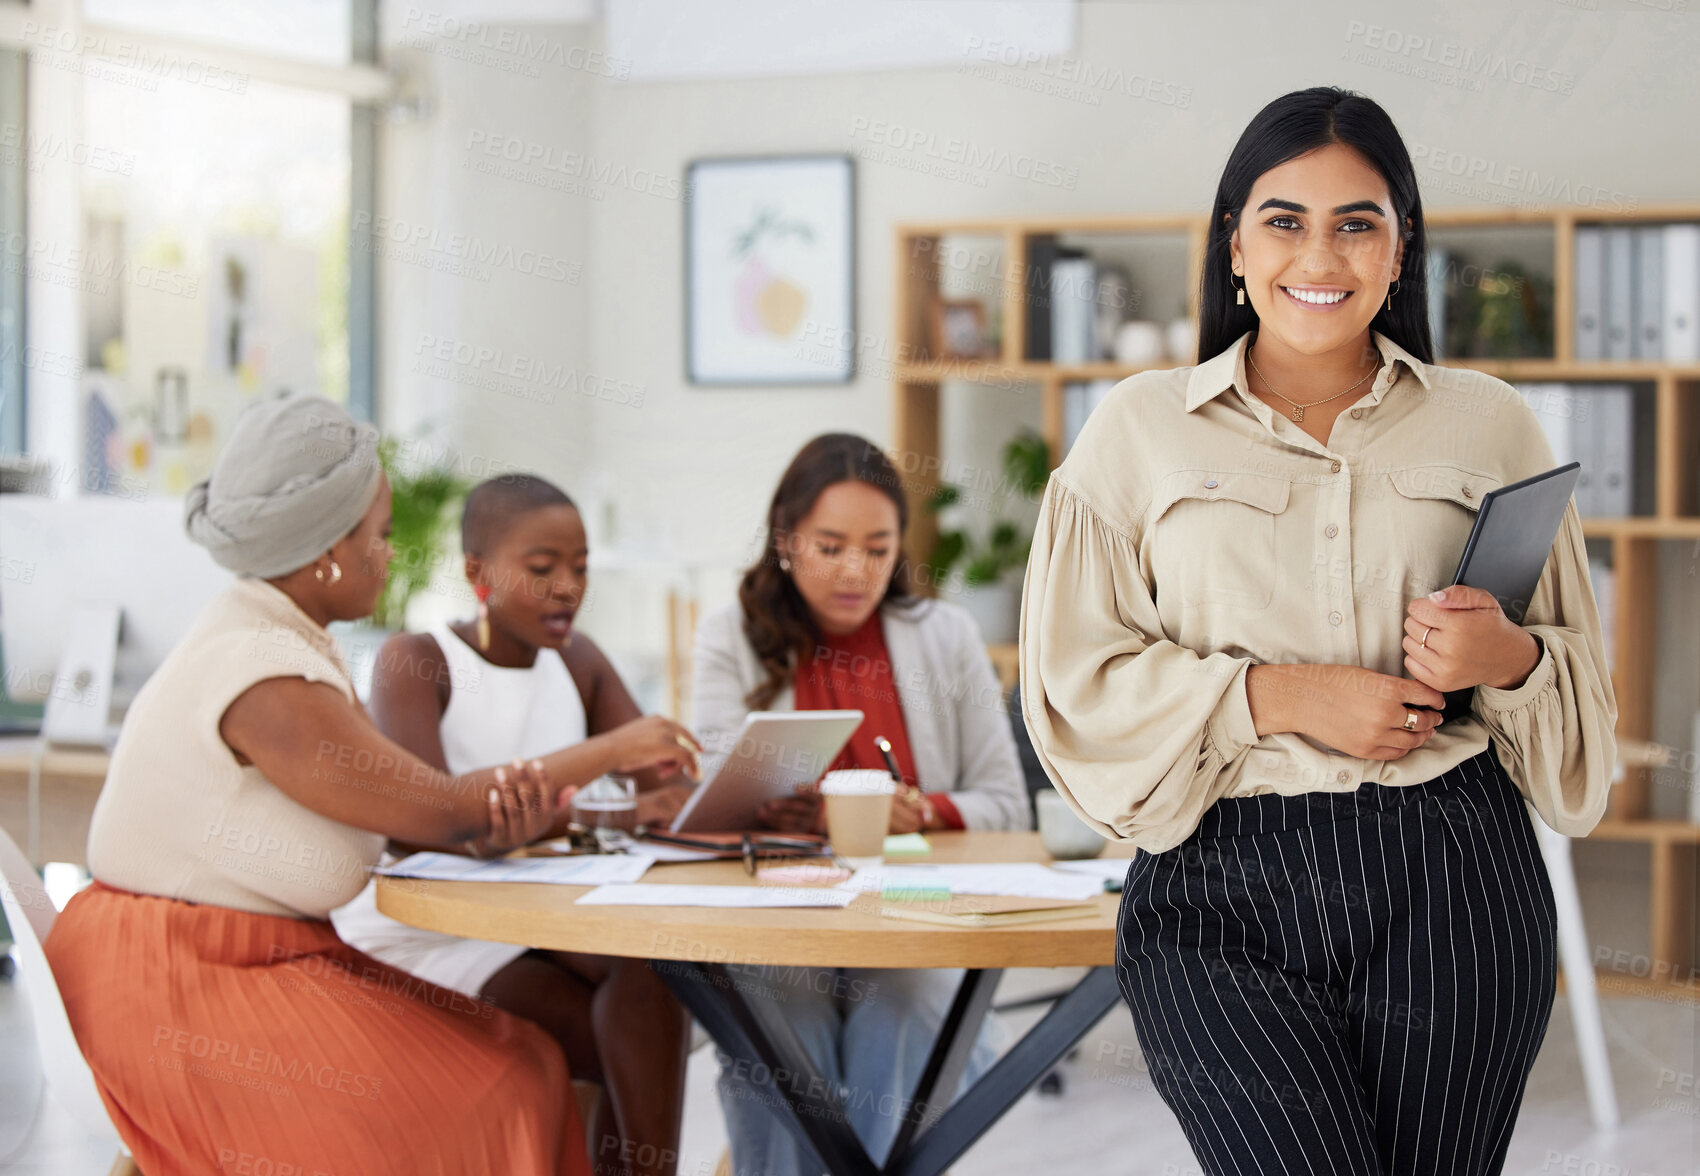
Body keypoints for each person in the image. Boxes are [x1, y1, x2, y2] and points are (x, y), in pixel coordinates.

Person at [1020, 87, 1616, 1176]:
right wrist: (1278, 695)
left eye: (1357, 221)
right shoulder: (1134, 432)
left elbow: (1577, 698)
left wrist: (1507, 660)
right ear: (1234, 247)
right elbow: (1073, 685)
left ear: (1399, 253)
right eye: (1284, 219)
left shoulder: (1488, 422)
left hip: (1454, 877)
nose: (1320, 252)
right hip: (1215, 882)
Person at [46, 393, 698, 1176]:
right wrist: (611, 751)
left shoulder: (280, 639)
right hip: (185, 987)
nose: (391, 555)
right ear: (326, 548)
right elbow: (446, 812)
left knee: (526, 1055)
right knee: (504, 1081)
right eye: (380, 536)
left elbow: (419, 816)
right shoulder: (265, 675)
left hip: (259, 963)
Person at [331, 473, 692, 1176]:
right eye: (542, 568)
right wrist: (605, 765)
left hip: (538, 916)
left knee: (655, 970)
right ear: (477, 571)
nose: (568, 588)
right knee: (625, 1033)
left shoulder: (578, 662)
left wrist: (677, 798)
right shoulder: (418, 661)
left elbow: (666, 782)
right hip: (432, 932)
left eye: (581, 568)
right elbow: (424, 820)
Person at [691, 432, 1029, 1175]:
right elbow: (709, 798)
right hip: (782, 917)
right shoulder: (730, 637)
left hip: (906, 910)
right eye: (831, 546)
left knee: (907, 1005)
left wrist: (924, 810)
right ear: (785, 540)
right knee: (781, 1028)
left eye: (878, 549)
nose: (856, 571)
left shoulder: (946, 636)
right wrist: (785, 808)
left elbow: (1006, 804)